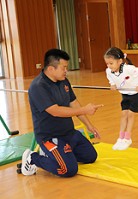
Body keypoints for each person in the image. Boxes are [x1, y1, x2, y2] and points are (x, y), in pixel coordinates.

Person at [22, 49, 102, 177]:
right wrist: (85, 109)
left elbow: (74, 103)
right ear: (51, 69)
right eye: (64, 67)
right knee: (68, 170)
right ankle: (33, 158)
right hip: (49, 137)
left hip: (68, 133)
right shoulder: (38, 86)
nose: (66, 71)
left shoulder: (64, 81)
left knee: (90, 156)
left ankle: (59, 154)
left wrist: (89, 125)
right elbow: (55, 111)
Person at [104, 47, 138, 150]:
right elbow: (110, 78)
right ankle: (120, 137)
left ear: (119, 61)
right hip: (125, 94)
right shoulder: (108, 71)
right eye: (107, 64)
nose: (109, 66)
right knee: (124, 114)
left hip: (136, 93)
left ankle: (128, 138)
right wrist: (112, 84)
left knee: (130, 114)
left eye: (111, 63)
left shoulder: (129, 69)